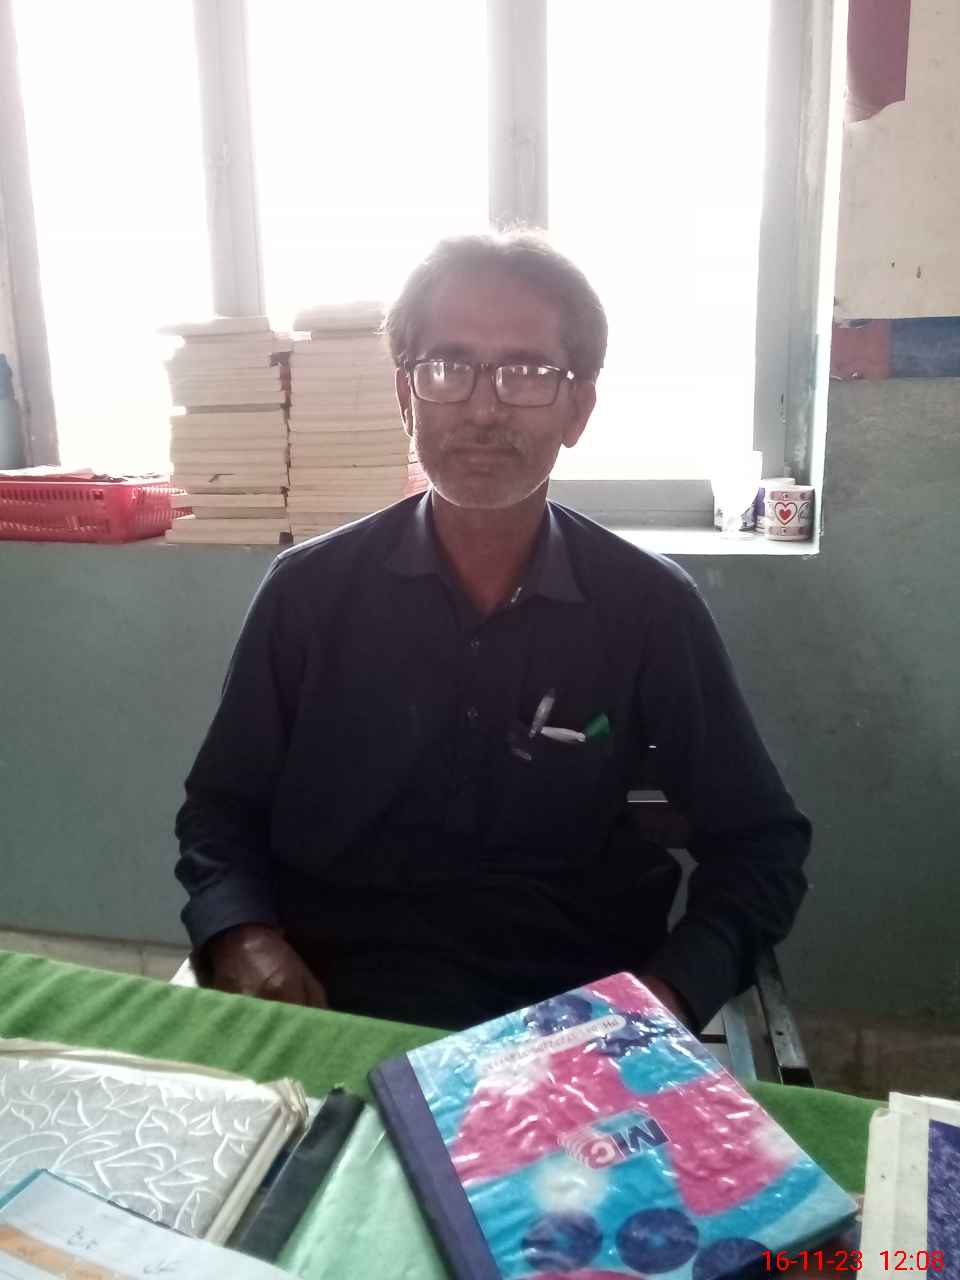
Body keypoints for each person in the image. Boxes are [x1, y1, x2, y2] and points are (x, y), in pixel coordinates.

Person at [175, 230, 810, 1032]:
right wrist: (242, 933)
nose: (482, 408)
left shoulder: (649, 609)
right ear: (405, 396)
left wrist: (671, 994)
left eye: (527, 373)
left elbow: (761, 846)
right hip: (333, 1002)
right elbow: (220, 810)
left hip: (571, 1026)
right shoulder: (307, 595)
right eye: (448, 366)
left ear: (578, 408)